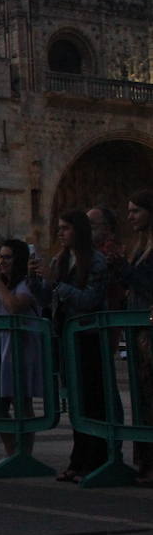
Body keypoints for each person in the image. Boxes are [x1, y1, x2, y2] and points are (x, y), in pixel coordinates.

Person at [36, 210, 109, 484]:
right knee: (76, 401)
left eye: (65, 228)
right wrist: (38, 281)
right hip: (66, 336)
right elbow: (47, 299)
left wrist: (56, 284)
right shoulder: (61, 259)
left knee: (92, 399)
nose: (60, 233)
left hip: (88, 338)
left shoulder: (96, 262)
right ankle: (77, 460)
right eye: (59, 228)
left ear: (78, 231)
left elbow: (89, 299)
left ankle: (94, 460)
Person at [0, 239, 42, 470]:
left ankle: (25, 454)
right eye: (0, 257)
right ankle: (11, 450)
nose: (1, 262)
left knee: (20, 400)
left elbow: (15, 306)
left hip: (20, 346)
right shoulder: (0, 282)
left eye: (7, 257)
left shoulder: (27, 283)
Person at [122, 189, 153, 485]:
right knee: (143, 396)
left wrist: (126, 273)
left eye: (135, 211)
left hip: (149, 328)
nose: (130, 216)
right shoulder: (138, 247)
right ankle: (144, 461)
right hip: (139, 330)